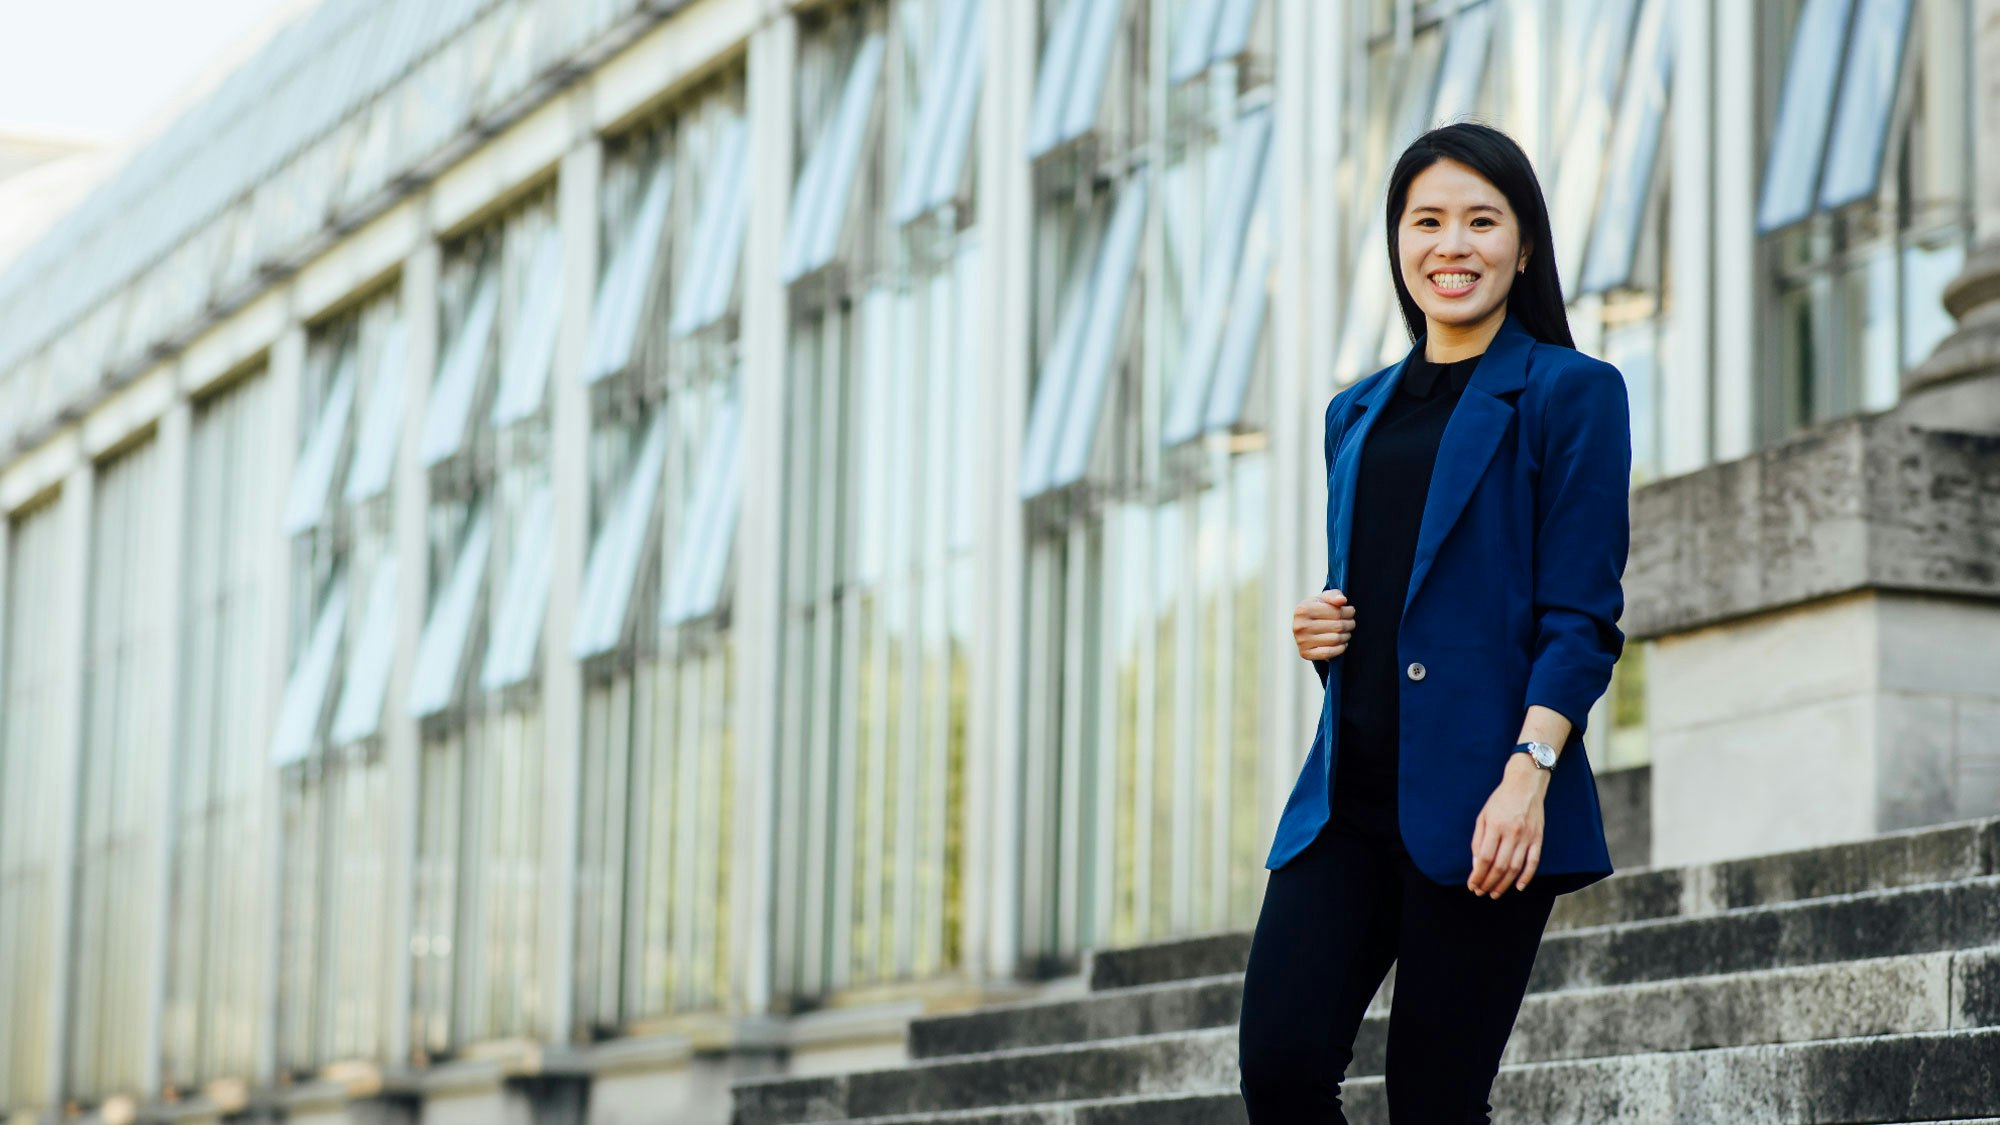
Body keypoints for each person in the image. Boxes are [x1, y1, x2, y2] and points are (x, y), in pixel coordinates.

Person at [1236, 122, 1631, 1123]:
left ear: (1523, 245)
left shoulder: (1569, 394)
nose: (1450, 246)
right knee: (1280, 1067)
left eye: (1479, 221)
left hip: (1486, 804)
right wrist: (1323, 632)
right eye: (1426, 221)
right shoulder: (1353, 413)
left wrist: (1526, 776)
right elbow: (1393, 600)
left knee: (1432, 1103)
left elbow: (1578, 617)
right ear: (1396, 240)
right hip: (1344, 799)